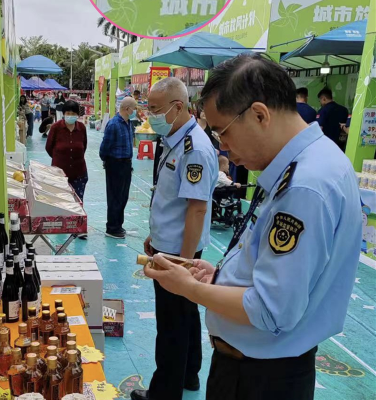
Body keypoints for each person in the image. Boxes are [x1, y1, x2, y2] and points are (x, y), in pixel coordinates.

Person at [144, 53, 361, 400]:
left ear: (260, 115)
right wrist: (218, 276)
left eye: (222, 132)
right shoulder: (309, 163)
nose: (222, 147)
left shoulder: (305, 186)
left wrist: (190, 288)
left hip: (259, 377)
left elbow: (271, 309)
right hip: (258, 367)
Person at [131, 78, 218, 400]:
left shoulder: (194, 149)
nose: (149, 115)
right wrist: (156, 235)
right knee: (185, 317)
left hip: (177, 253)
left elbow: (196, 210)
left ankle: (164, 392)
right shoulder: (174, 140)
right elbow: (171, 201)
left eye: (154, 109)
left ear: (177, 107)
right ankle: (190, 375)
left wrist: (182, 263)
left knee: (171, 326)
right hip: (168, 245)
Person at [45, 100, 89, 239]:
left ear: (78, 115)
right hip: (59, 173)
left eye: (73, 113)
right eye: (68, 113)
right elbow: (49, 148)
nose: (71, 116)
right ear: (63, 114)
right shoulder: (56, 128)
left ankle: (78, 228)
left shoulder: (81, 128)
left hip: (79, 171)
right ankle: (62, 226)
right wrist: (60, 160)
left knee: (78, 201)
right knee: (61, 201)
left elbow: (84, 146)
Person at [99, 97, 137, 239]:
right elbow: (104, 147)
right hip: (115, 164)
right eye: (134, 108)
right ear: (127, 109)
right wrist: (108, 162)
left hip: (126, 164)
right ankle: (112, 228)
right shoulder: (114, 124)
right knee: (114, 196)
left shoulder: (128, 123)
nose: (136, 111)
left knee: (123, 196)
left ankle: (118, 224)